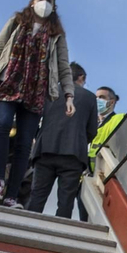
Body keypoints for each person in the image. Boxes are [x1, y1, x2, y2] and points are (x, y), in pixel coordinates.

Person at [0, 0, 75, 207]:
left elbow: (64, 66)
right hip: (9, 83)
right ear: (32, 0)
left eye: (49, 0)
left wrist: (69, 94)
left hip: (36, 91)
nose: (44, 3)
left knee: (24, 143)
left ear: (54, 5)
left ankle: (11, 194)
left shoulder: (57, 34)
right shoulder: (17, 22)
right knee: (1, 125)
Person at [25, 62, 98, 220]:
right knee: (66, 200)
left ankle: (26, 227)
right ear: (81, 77)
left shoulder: (48, 92)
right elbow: (92, 130)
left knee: (37, 195)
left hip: (45, 149)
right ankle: (58, 234)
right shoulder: (90, 97)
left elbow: (34, 118)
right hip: (74, 155)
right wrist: (79, 140)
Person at [88, 85, 125, 167]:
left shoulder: (119, 118)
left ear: (111, 102)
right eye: (96, 97)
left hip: (106, 167)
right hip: (87, 171)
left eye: (101, 97)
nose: (97, 100)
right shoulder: (90, 122)